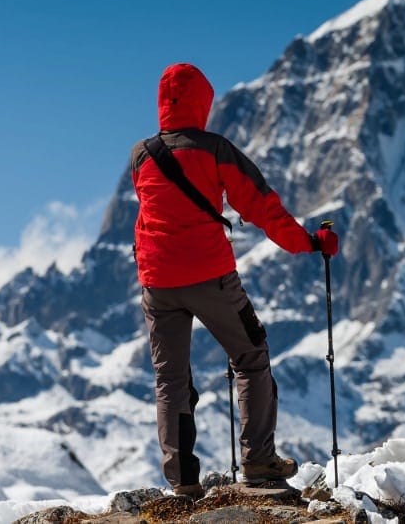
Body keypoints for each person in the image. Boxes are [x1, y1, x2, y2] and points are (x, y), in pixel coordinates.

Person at [130, 62, 339, 497]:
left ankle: (183, 481)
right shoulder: (216, 150)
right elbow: (262, 206)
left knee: (170, 380)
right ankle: (259, 461)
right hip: (211, 276)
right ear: (202, 103)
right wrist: (309, 242)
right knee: (250, 355)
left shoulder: (141, 155)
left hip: (158, 282)